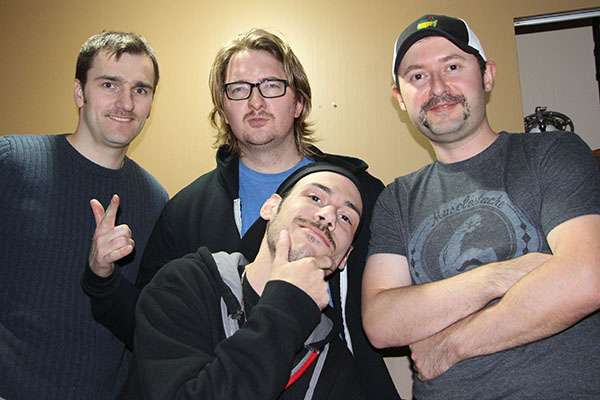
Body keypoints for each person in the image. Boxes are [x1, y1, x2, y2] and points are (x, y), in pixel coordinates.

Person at [82, 28, 399, 398]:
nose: (256, 101)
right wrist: (103, 280)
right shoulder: (186, 211)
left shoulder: (362, 197)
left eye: (272, 85)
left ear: (298, 103)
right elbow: (152, 330)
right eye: (239, 89)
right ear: (224, 109)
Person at [362, 14, 600, 399]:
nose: (437, 87)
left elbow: (586, 277)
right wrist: (500, 276)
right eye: (418, 76)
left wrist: (450, 345)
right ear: (400, 98)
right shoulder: (397, 199)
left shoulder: (552, 153)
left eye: (453, 67)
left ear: (487, 76)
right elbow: (381, 322)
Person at [0, 31, 168, 399]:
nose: (126, 102)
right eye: (109, 84)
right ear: (79, 93)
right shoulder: (12, 161)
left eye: (140, 90)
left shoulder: (157, 201)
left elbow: (144, 327)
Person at [119, 163, 371, 399]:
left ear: (344, 258)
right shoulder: (183, 285)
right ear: (271, 207)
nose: (328, 215)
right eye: (315, 198)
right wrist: (289, 305)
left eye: (346, 218)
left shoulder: (334, 365)